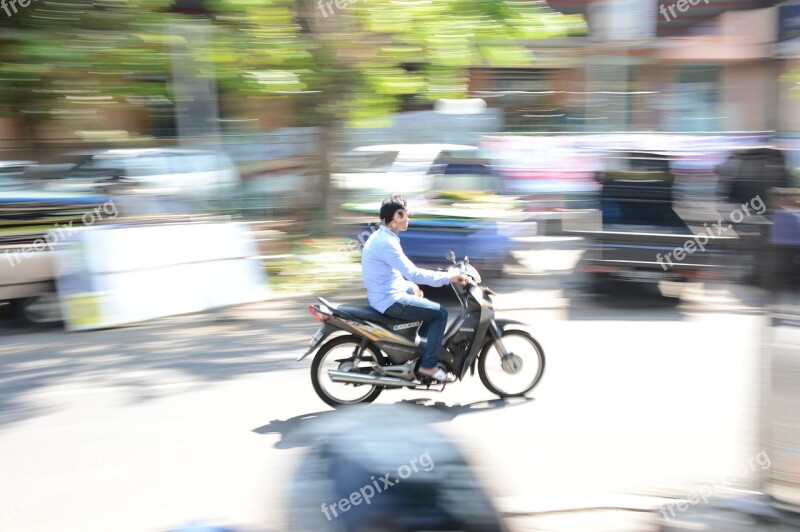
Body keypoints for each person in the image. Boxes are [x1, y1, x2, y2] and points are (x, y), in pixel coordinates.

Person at [361, 194, 469, 383]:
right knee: (440, 313)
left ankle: (422, 356)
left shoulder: (382, 237)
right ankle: (428, 365)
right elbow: (414, 273)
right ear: (397, 217)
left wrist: (409, 287)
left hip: (385, 295)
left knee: (428, 306)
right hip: (389, 301)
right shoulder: (386, 243)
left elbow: (389, 275)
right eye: (406, 215)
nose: (408, 219)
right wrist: (450, 277)